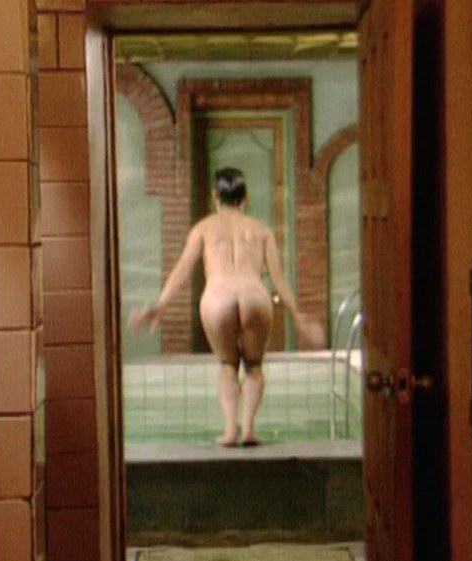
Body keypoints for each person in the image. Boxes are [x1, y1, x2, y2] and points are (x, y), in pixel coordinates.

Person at [129, 167, 325, 447]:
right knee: (254, 366)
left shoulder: (203, 228)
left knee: (228, 364)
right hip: (255, 295)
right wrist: (297, 315)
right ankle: (248, 430)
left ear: (215, 196)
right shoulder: (261, 231)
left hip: (217, 297)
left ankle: (230, 430)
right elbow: (278, 278)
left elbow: (183, 271)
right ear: (246, 197)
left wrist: (160, 306)